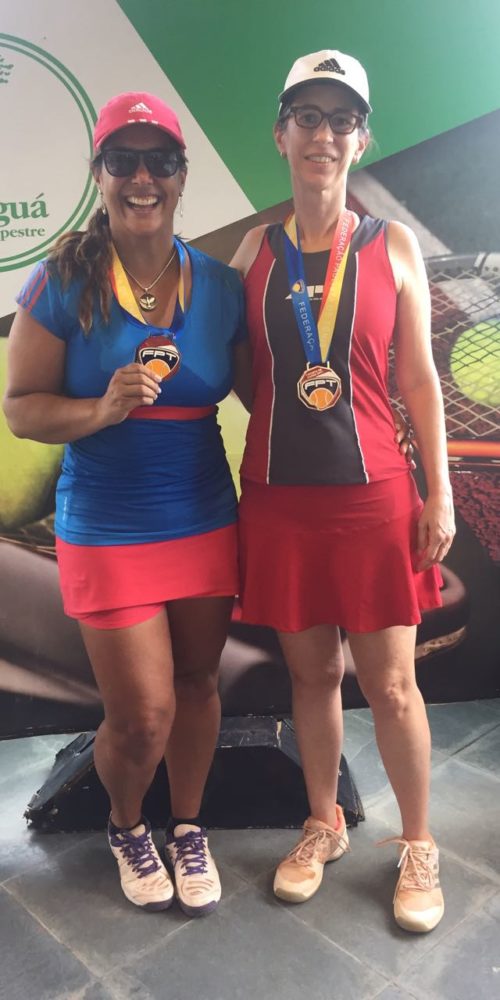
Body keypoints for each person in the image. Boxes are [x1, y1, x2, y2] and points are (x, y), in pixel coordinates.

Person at [3, 92, 250, 918]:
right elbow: (21, 408)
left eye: (160, 161)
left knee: (198, 683)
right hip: (107, 525)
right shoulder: (62, 282)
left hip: (204, 516)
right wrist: (99, 409)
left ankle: (187, 825)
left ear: (182, 174)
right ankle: (126, 825)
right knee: (143, 715)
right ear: (99, 173)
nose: (143, 178)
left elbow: (270, 397)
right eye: (124, 160)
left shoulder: (220, 285)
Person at [231, 50, 455, 933]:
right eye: (307, 117)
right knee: (313, 674)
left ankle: (418, 842)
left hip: (375, 503)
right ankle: (322, 823)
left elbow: (420, 380)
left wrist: (439, 492)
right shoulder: (255, 251)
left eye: (341, 120)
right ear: (280, 134)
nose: (323, 135)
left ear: (362, 140)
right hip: (281, 502)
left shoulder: (392, 245)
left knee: (391, 686)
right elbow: (244, 371)